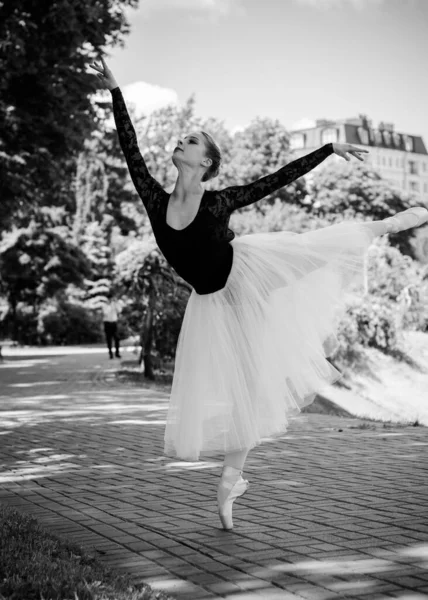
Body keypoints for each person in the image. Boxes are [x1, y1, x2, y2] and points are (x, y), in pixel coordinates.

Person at [90, 57, 428, 530]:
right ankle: (231, 483)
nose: (180, 141)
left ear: (205, 162)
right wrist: (116, 92)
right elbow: (130, 149)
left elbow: (277, 180)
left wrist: (328, 148)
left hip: (248, 271)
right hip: (213, 303)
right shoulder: (154, 198)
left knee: (315, 252)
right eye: (183, 138)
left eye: (191, 140)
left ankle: (384, 226)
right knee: (246, 391)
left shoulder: (220, 200)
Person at [102, 291, 121, 359]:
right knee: (109, 339)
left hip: (114, 323)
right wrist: (110, 305)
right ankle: (110, 353)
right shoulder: (104, 305)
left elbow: (119, 310)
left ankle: (117, 353)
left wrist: (116, 304)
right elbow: (105, 313)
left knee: (117, 338)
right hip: (107, 323)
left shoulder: (115, 304)